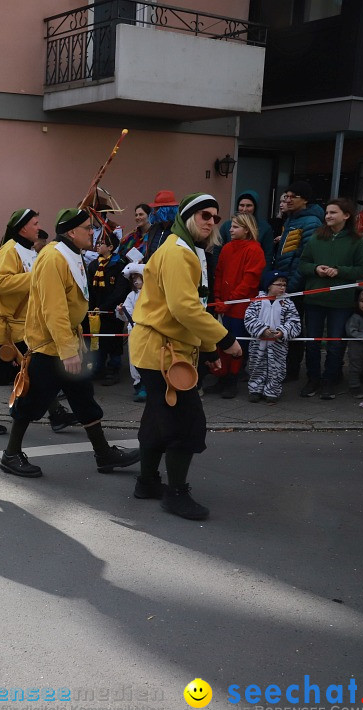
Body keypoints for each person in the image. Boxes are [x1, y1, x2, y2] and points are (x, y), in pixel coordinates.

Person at [0, 208, 139, 479]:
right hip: (50, 347)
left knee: (83, 397)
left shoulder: (70, 254)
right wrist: (67, 350)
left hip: (66, 344)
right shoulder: (53, 257)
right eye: (88, 228)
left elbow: (72, 304)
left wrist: (77, 344)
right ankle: (11, 455)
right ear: (72, 232)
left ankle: (103, 454)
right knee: (30, 401)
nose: (92, 233)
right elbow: (55, 309)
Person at [129, 193, 243, 520]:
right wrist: (224, 340)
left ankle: (148, 482)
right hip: (163, 353)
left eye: (215, 217)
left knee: (156, 418)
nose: (210, 222)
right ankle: (175, 494)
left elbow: (186, 308)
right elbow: (185, 308)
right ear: (188, 216)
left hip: (162, 351)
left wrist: (206, 351)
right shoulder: (179, 253)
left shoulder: (183, 249)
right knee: (187, 422)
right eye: (204, 215)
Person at [0, 209, 76, 435]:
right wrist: (36, 278)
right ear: (22, 228)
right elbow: (0, 284)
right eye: (35, 223)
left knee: (35, 372)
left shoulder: (30, 251)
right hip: (5, 327)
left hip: (23, 326)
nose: (38, 228)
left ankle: (56, 414)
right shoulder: (9, 250)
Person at [298, 197, 363, 400]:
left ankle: (330, 380)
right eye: (327, 212)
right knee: (312, 342)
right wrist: (315, 269)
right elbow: (303, 264)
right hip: (315, 300)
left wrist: (339, 271)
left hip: (340, 302)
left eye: (333, 212)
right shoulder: (315, 237)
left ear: (346, 215)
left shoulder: (356, 241)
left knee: (336, 343)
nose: (328, 216)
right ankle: (313, 379)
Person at [271, 180, 324, 382]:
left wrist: (290, 286)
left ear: (306, 200)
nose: (288, 200)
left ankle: (292, 369)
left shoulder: (311, 222)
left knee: (293, 327)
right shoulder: (293, 219)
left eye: (294, 196)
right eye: (287, 196)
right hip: (285, 280)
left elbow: (304, 257)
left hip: (296, 285)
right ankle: (284, 367)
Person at [211, 213, 266, 398]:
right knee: (220, 343)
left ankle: (232, 381)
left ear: (247, 229)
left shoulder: (255, 250)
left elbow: (249, 281)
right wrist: (218, 297)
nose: (230, 229)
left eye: (235, 227)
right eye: (231, 226)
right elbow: (219, 274)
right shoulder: (227, 248)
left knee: (237, 345)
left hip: (240, 307)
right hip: (223, 305)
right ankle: (221, 378)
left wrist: (229, 301)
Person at [243, 271, 301, 404]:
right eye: (279, 284)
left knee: (277, 367)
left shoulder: (288, 303)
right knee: (256, 365)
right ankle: (255, 389)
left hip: (278, 344)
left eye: (284, 285)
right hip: (258, 343)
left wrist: (282, 332)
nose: (282, 287)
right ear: (269, 286)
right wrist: (262, 330)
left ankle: (272, 391)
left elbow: (294, 322)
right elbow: (249, 318)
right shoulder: (257, 301)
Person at [85, 233, 129, 386]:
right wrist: (92, 307)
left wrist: (105, 306)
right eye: (97, 242)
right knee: (98, 339)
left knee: (114, 340)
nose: (98, 245)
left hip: (112, 310)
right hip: (97, 311)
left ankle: (114, 368)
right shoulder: (93, 265)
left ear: (110, 247)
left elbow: (120, 290)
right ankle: (98, 367)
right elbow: (89, 288)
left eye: (102, 243)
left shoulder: (119, 265)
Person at [116, 262, 146, 401]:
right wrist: (121, 311)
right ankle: (138, 385)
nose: (136, 280)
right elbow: (125, 314)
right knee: (134, 360)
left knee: (147, 359)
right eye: (133, 278)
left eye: (137, 277)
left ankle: (147, 386)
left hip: (148, 331)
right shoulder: (131, 295)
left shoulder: (152, 293)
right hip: (134, 331)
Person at [219, 191, 272, 259]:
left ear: (255, 207)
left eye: (248, 205)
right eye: (241, 205)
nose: (244, 209)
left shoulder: (265, 228)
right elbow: (217, 250)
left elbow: (268, 255)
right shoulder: (227, 226)